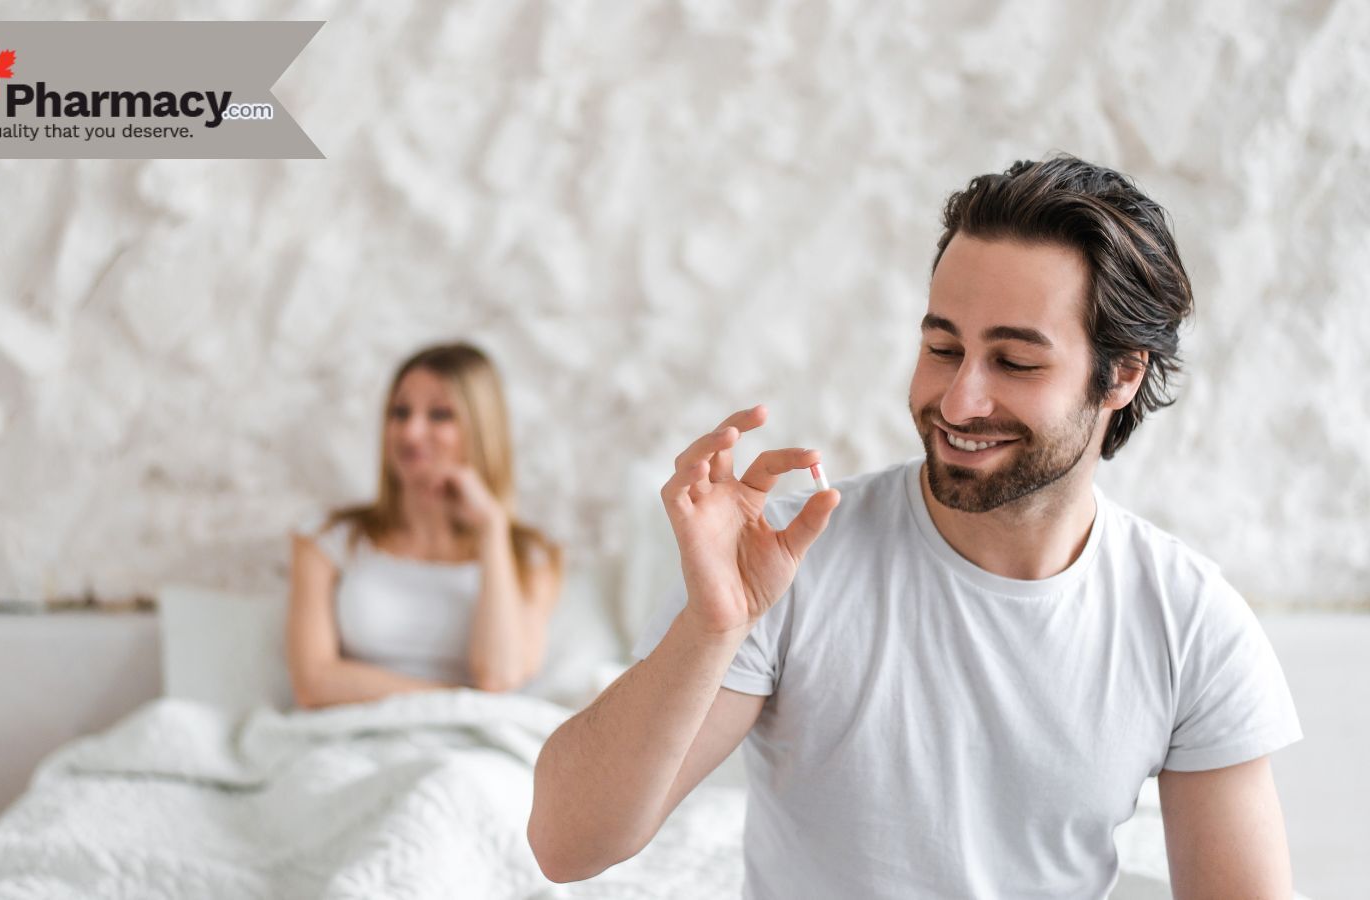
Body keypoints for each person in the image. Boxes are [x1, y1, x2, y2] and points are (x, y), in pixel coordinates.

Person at [528, 156, 1301, 898]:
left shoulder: (1190, 622)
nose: (960, 401)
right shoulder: (792, 560)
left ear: (1121, 376)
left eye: (1016, 362)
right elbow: (565, 844)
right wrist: (711, 625)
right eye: (942, 348)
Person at [286, 342, 563, 708]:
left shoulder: (530, 556)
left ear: (479, 431)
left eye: (439, 415)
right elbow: (315, 683)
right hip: (353, 734)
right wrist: (458, 702)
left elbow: (500, 676)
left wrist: (492, 531)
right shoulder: (327, 538)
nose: (411, 432)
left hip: (470, 748)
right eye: (399, 412)